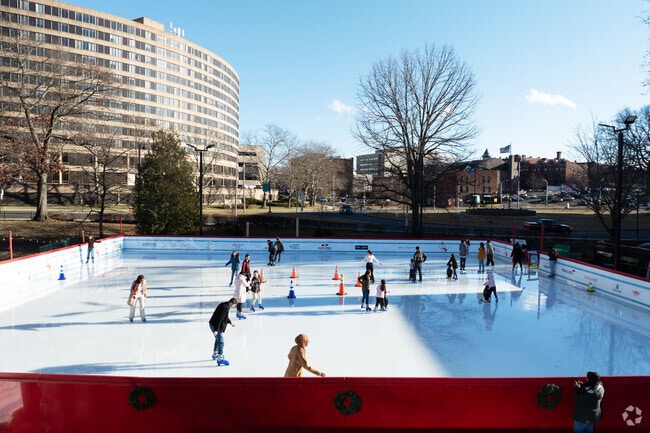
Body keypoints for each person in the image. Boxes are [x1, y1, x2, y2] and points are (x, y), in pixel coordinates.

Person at [208, 297, 237, 366]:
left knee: (218, 340)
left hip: (213, 324)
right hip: (216, 325)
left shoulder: (225, 305)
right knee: (221, 342)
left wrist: (230, 323)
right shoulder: (225, 307)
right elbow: (220, 319)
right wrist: (216, 330)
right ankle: (220, 359)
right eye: (234, 305)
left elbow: (225, 317)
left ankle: (215, 354)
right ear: (231, 303)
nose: (233, 307)